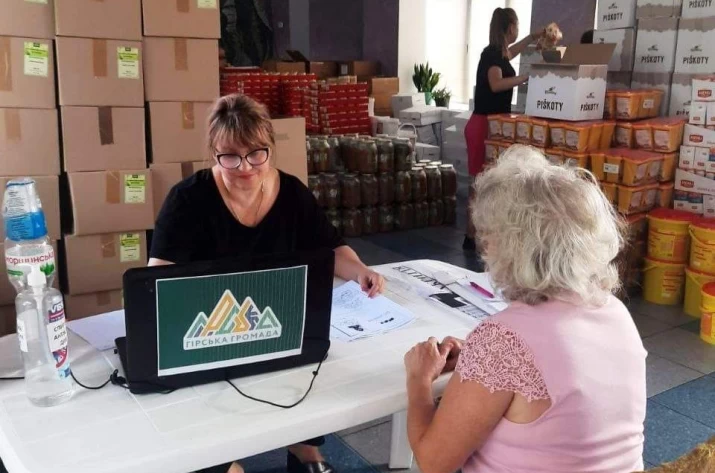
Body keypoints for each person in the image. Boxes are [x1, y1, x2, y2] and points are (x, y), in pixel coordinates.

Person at [150, 93, 386, 473]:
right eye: (230, 156)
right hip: (211, 333)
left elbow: (330, 247)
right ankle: (226, 460)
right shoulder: (188, 200)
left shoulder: (291, 193)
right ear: (214, 153)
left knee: (307, 374)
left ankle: (304, 449)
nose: (245, 166)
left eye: (256, 154)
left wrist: (359, 270)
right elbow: (158, 280)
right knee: (204, 427)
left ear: (270, 149)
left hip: (277, 324)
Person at [404, 146, 647, 473]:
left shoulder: (502, 341)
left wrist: (418, 380)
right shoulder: (614, 311)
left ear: (507, 246)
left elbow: (433, 462)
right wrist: (479, 358)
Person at [463, 7, 544, 251]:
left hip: (494, 125)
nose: (517, 30)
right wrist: (525, 78)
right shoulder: (490, 54)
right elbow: (496, 84)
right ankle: (470, 236)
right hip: (482, 125)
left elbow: (512, 52)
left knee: (492, 181)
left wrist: (532, 37)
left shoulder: (499, 53)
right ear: (510, 27)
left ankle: (481, 235)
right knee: (480, 183)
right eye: (517, 27)